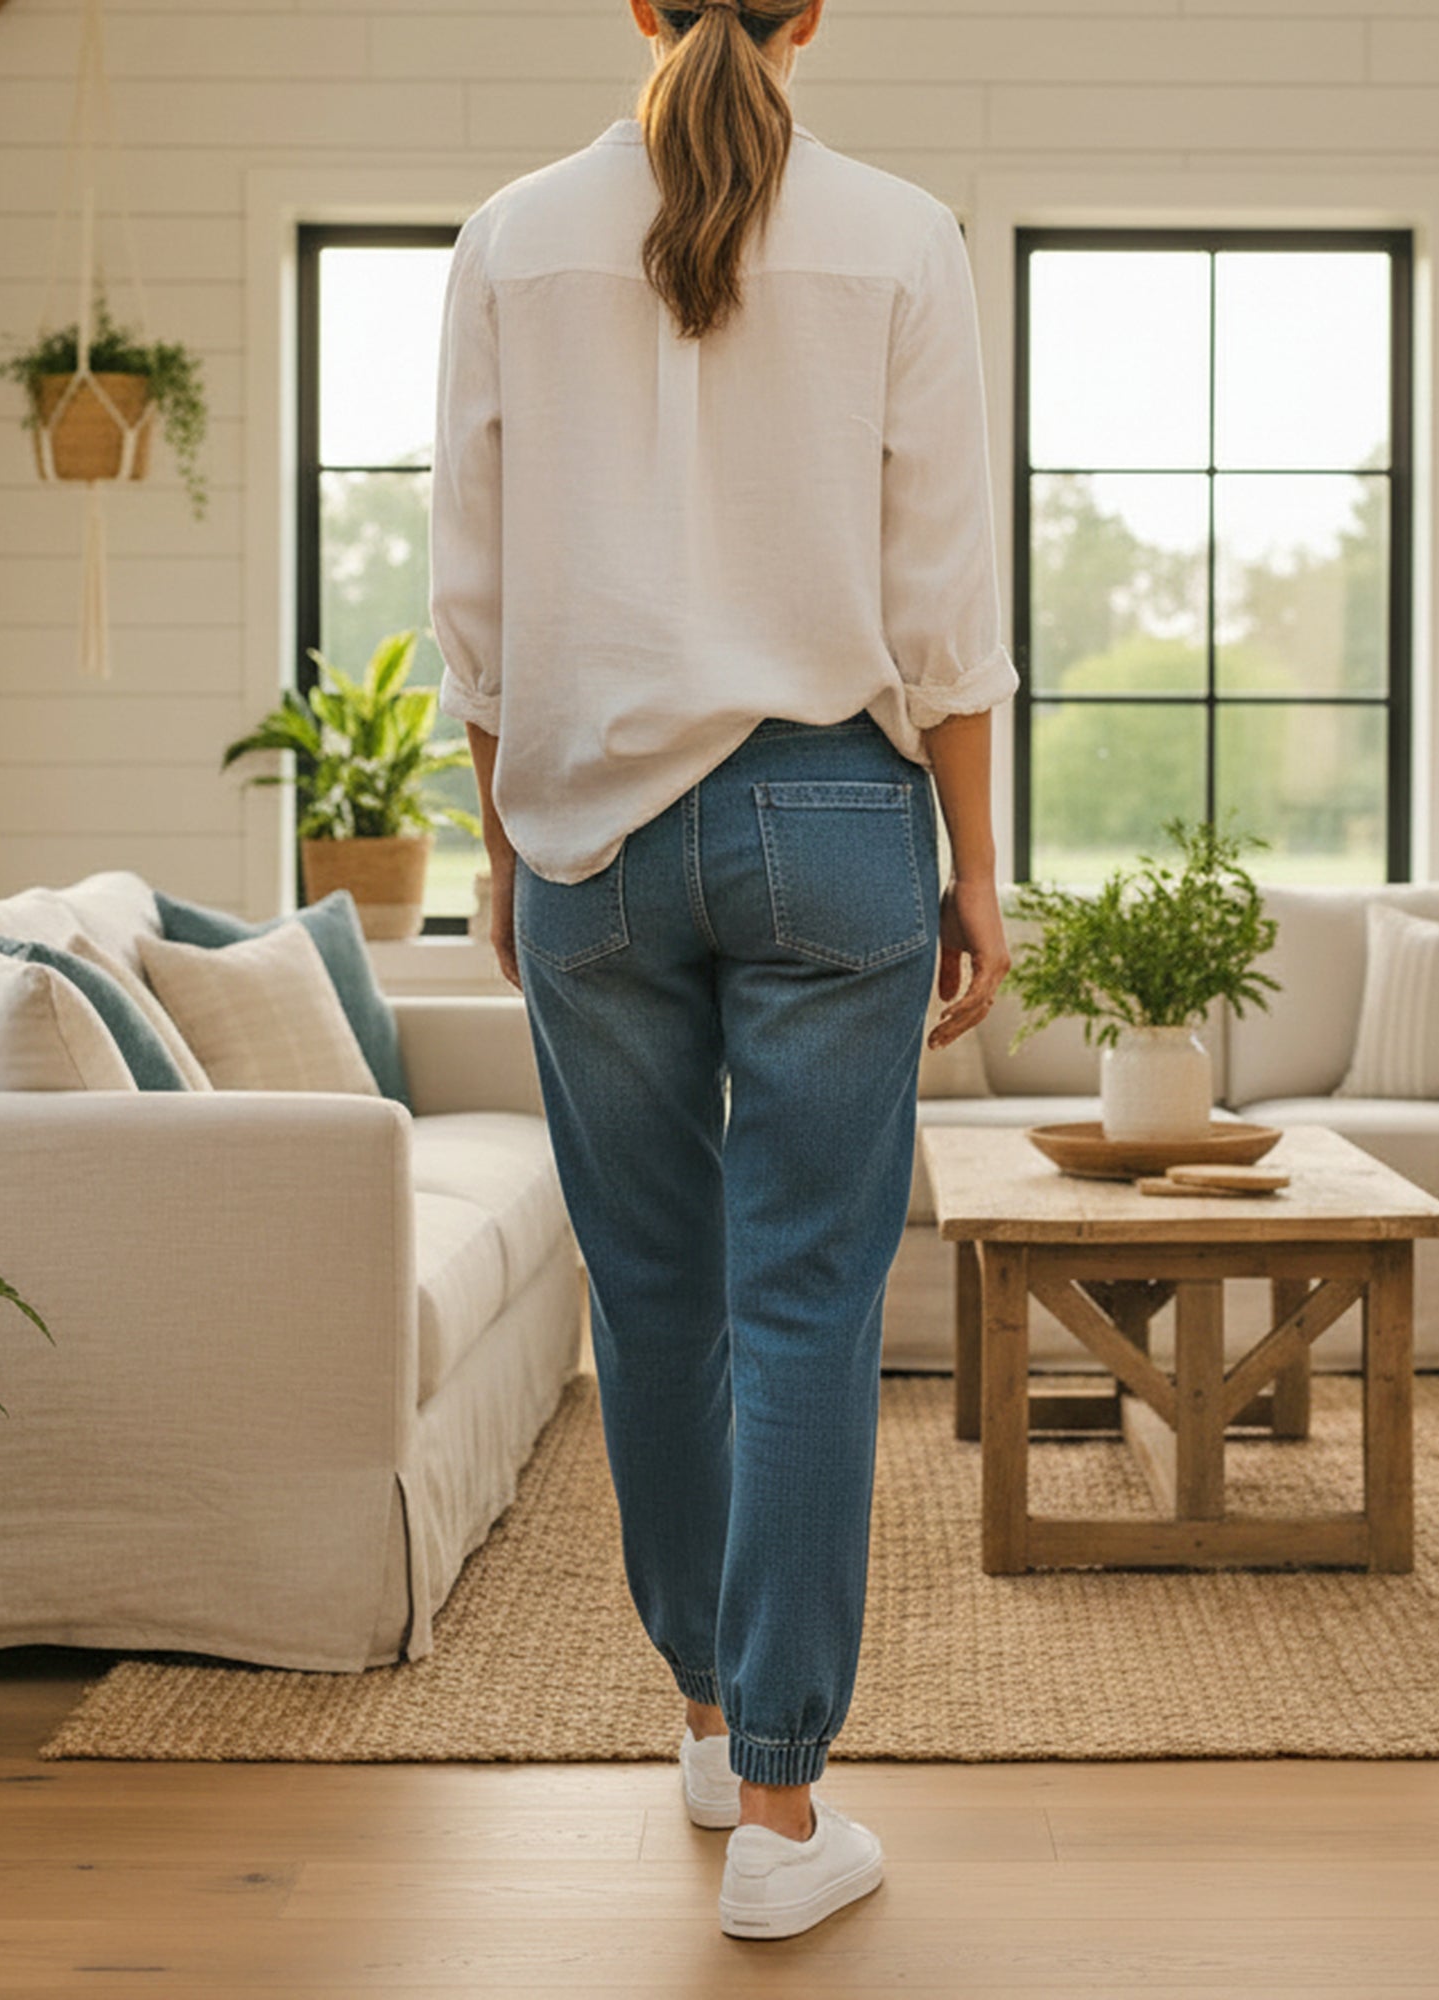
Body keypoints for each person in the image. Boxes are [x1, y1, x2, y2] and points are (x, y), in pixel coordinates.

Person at [428, 0, 1017, 1942]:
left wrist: (501, 839)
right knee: (805, 1301)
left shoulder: (510, 236)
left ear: (635, 6)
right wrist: (980, 868)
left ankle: (703, 1710)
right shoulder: (898, 233)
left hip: (584, 823)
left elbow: (474, 584)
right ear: (814, 12)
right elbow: (938, 599)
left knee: (652, 1290)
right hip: (832, 818)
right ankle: (780, 1806)